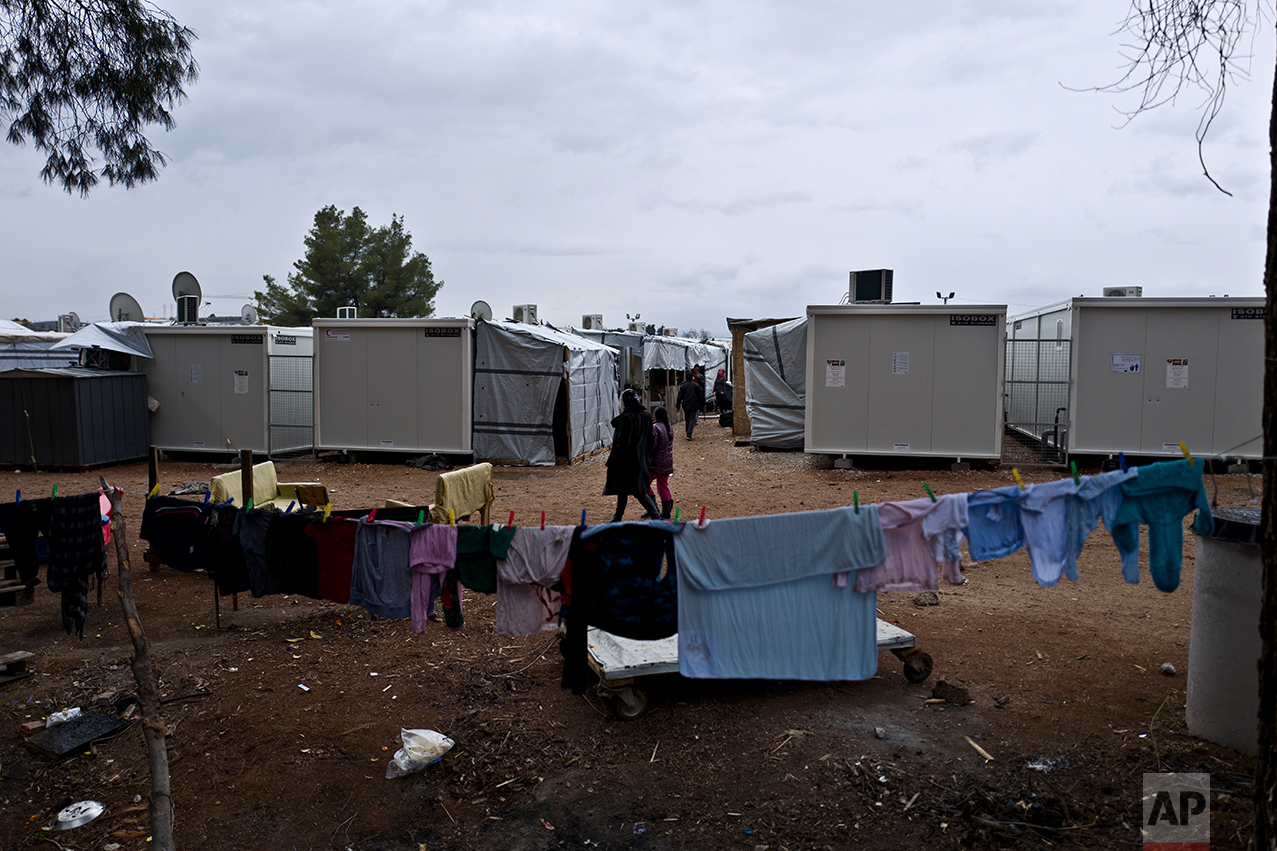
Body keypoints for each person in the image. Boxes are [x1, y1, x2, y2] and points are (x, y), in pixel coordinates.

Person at [603, 388, 662, 522]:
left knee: (638, 492)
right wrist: (646, 455)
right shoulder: (646, 416)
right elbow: (650, 440)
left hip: (627, 460)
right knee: (622, 489)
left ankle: (656, 516)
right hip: (641, 458)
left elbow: (622, 442)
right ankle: (617, 517)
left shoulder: (627, 418)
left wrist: (615, 459)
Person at [648, 406, 675, 519]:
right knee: (663, 486)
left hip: (655, 464)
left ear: (654, 417)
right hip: (667, 463)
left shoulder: (655, 427)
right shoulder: (669, 427)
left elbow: (652, 446)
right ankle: (666, 511)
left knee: (644, 485)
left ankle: (653, 508)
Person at [675, 369, 705, 440]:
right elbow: (701, 395)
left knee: (687, 419)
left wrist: (678, 406)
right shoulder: (696, 385)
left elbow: (679, 397)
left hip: (686, 405)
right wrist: (703, 404)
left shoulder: (683, 386)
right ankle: (689, 433)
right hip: (694, 404)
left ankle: (687, 432)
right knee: (692, 419)